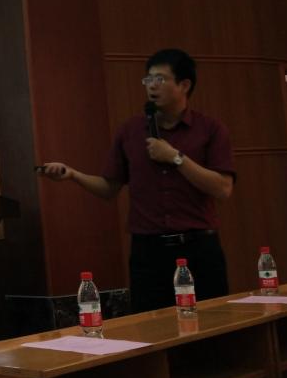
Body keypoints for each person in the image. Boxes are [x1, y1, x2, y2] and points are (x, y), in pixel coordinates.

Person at [40, 48, 235, 313]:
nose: (152, 86)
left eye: (160, 79)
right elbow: (109, 188)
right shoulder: (130, 131)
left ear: (184, 85)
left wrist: (176, 157)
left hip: (199, 249)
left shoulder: (210, 129)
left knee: (212, 323)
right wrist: (73, 174)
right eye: (148, 79)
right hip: (148, 253)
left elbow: (223, 188)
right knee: (151, 326)